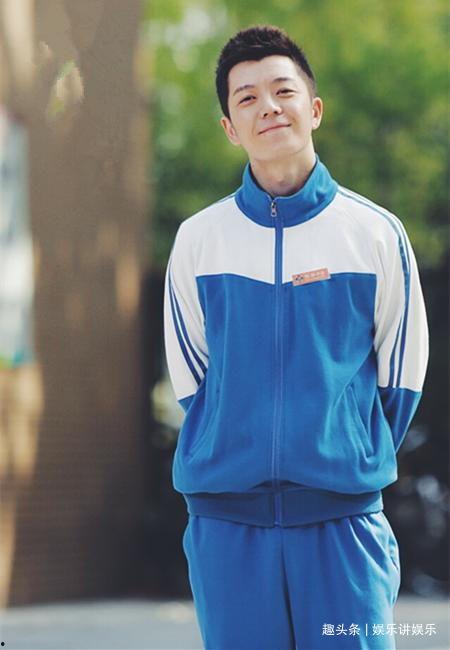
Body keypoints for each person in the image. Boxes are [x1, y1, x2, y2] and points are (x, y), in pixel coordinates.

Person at [163, 24, 429, 650]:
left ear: (314, 109)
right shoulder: (199, 241)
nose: (268, 107)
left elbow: (402, 376)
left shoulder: (375, 234)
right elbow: (192, 381)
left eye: (283, 91)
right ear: (230, 127)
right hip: (228, 530)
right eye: (247, 98)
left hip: (343, 528)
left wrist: (341, 452)